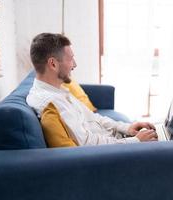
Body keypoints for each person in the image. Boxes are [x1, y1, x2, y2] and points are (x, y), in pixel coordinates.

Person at [27, 33, 158, 146]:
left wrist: (127, 128)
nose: (75, 65)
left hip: (117, 141)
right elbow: (87, 143)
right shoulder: (50, 103)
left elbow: (94, 117)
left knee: (162, 134)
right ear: (53, 64)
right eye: (71, 59)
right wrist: (135, 141)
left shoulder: (57, 90)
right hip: (116, 152)